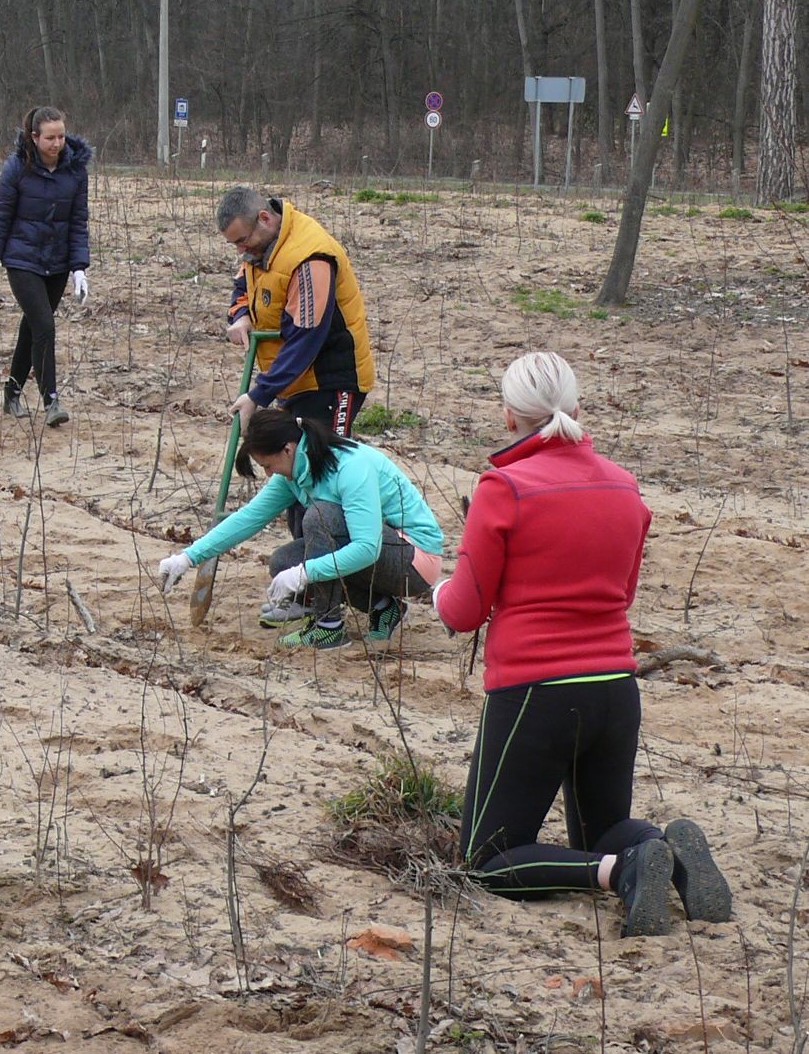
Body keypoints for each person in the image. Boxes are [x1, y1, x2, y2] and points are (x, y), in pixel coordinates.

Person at [435, 352, 730, 936]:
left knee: (486, 860)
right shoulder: (624, 486)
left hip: (535, 693)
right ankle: (657, 847)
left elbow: (465, 612)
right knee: (601, 832)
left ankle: (625, 873)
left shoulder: (505, 487)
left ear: (509, 417)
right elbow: (622, 595)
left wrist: (438, 585)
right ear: (577, 409)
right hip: (615, 689)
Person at [156, 408, 443, 648]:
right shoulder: (295, 468)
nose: (269, 473)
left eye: (268, 465)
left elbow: (367, 548)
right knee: (284, 562)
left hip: (414, 563)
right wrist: (188, 557)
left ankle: (327, 625)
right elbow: (248, 518)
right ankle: (383, 607)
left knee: (320, 517)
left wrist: (307, 573)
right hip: (384, 553)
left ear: (288, 448)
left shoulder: (350, 468)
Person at [216, 186, 374, 437]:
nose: (240, 251)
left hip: (330, 381)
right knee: (297, 462)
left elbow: (306, 338)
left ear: (264, 219)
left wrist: (259, 395)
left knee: (324, 465)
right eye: (234, 244)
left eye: (242, 241)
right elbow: (243, 284)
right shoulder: (261, 248)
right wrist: (241, 315)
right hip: (294, 380)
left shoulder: (310, 258)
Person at [0, 105, 90, 427]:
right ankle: (51, 400)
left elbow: (78, 221)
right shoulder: (16, 169)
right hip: (22, 260)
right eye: (50, 138)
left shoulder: (76, 171)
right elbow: (1, 219)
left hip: (58, 264)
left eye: (61, 137)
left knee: (33, 327)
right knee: (45, 327)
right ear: (34, 137)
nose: (57, 144)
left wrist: (80, 267)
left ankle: (11, 393)